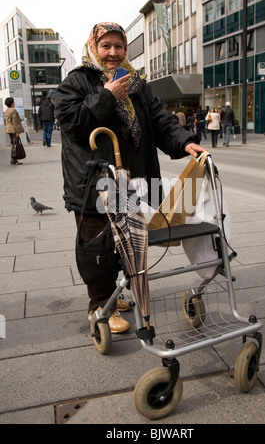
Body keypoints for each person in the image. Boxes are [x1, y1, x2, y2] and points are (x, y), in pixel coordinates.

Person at [55, 22, 206, 334]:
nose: (113, 53)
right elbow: (74, 125)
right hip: (95, 182)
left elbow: (160, 120)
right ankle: (99, 305)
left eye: (118, 46)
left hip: (131, 179)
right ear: (94, 47)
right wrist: (107, 95)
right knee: (98, 247)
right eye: (106, 46)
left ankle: (115, 296)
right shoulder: (77, 81)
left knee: (127, 242)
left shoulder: (136, 83)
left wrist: (184, 141)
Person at [4, 97, 25, 165]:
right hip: (13, 129)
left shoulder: (7, 110)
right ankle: (14, 160)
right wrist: (17, 132)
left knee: (13, 144)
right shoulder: (13, 110)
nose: (14, 103)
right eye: (13, 102)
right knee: (15, 144)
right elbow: (15, 122)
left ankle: (13, 159)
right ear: (12, 103)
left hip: (8, 129)